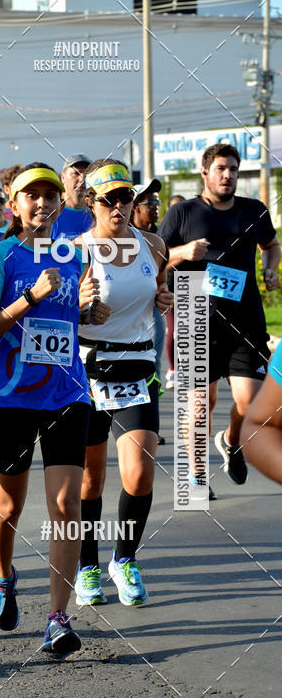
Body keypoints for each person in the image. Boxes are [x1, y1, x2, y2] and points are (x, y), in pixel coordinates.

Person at [0, 161, 100, 656]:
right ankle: (3, 575)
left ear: (59, 202)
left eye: (50, 195)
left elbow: (68, 323)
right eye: (32, 196)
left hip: (67, 393)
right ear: (15, 205)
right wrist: (28, 296)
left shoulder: (71, 255)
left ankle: (58, 618)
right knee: (9, 504)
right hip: (10, 398)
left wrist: (89, 314)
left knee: (67, 506)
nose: (42, 203)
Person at [76, 159, 172, 608]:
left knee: (139, 472)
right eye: (109, 199)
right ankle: (87, 565)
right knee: (89, 480)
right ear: (92, 204)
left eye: (126, 198)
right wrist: (79, 312)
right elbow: (56, 322)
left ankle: (125, 558)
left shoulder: (153, 245)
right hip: (87, 371)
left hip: (137, 368)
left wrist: (165, 297)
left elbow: (158, 295)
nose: (119, 206)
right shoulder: (76, 251)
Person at [161, 143, 280, 496]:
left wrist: (269, 269)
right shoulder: (182, 213)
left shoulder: (253, 211)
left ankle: (230, 441)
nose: (227, 175)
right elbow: (155, 258)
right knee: (200, 402)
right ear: (205, 172)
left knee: (250, 404)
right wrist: (182, 252)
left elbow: (271, 245)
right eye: (220, 169)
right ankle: (197, 477)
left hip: (245, 320)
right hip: (196, 312)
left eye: (232, 169)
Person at [131, 179, 166, 445]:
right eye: (149, 202)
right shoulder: (110, 239)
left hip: (151, 315)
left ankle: (149, 427)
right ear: (134, 207)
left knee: (151, 368)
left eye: (157, 202)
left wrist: (164, 295)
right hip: (109, 337)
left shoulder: (157, 240)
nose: (155, 207)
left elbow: (160, 282)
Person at [241, 341, 282, 482]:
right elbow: (258, 426)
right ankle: (197, 473)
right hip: (203, 333)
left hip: (246, 331)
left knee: (247, 399)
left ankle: (229, 441)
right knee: (202, 399)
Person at [163, 195, 186, 389]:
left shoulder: (193, 226)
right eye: (174, 209)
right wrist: (184, 252)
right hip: (170, 283)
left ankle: (187, 368)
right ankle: (172, 369)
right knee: (173, 330)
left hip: (192, 283)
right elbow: (162, 258)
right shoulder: (166, 231)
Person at [51, 153, 93, 242]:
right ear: (63, 177)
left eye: (87, 174)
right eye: (76, 173)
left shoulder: (98, 213)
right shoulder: (51, 214)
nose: (82, 179)